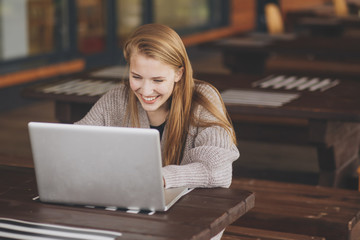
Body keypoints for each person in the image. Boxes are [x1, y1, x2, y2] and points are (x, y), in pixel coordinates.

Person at [75, 23, 239, 240]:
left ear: (179, 74)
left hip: (192, 220)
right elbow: (77, 143)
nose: (145, 90)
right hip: (132, 215)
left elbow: (218, 170)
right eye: (136, 77)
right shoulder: (117, 99)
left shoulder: (203, 99)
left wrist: (158, 177)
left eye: (158, 80)